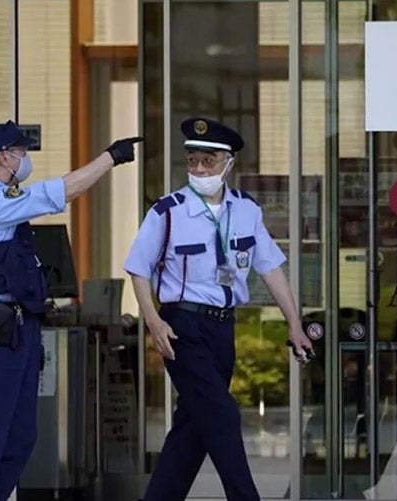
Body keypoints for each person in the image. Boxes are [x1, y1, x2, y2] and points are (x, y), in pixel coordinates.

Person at [0, 119, 142, 500]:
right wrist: (110, 158)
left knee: (19, 438)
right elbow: (59, 193)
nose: (24, 161)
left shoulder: (2, 204)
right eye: (20, 154)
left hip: (16, 334)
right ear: (4, 157)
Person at [124, 117, 314, 501]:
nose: (198, 170)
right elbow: (137, 268)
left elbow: (271, 267)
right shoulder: (168, 211)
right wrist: (155, 322)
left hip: (222, 329)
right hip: (182, 327)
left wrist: (295, 323)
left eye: (207, 162)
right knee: (223, 414)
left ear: (229, 163)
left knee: (193, 427)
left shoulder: (246, 210)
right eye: (192, 161)